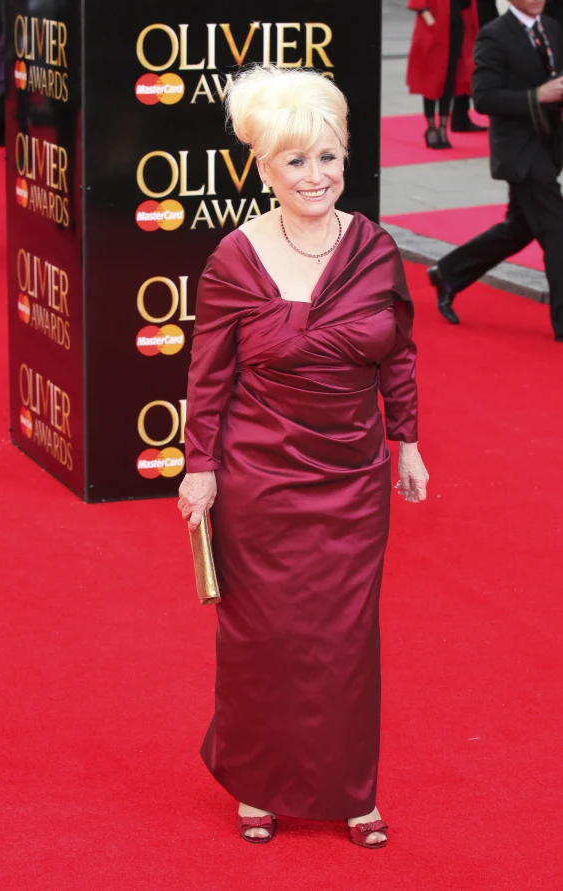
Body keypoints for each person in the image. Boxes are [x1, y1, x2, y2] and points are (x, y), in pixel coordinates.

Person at [177, 64, 429, 848]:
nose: (315, 175)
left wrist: (408, 441)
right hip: (259, 477)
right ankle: (258, 783)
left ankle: (351, 788)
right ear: (265, 168)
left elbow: (399, 352)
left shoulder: (375, 249)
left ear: (346, 157)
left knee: (347, 637)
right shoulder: (235, 257)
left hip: (352, 476)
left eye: (328, 156)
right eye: (296, 160)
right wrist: (199, 466)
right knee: (264, 637)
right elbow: (207, 373)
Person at [427, 0, 563, 342]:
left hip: (547, 146)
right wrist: (538, 95)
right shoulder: (494, 35)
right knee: (558, 234)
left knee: (518, 229)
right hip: (520, 153)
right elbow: (484, 97)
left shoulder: (551, 27)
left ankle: (449, 272)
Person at [407, 0, 481, 148]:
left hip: (456, 26)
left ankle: (442, 127)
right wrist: (430, 21)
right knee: (431, 77)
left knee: (449, 78)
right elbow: (418, 3)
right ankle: (431, 127)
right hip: (434, 28)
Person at [452, 0, 499, 130]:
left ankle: (460, 117)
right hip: (471, 17)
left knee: (467, 67)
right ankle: (461, 117)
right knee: (472, 66)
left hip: (473, 14)